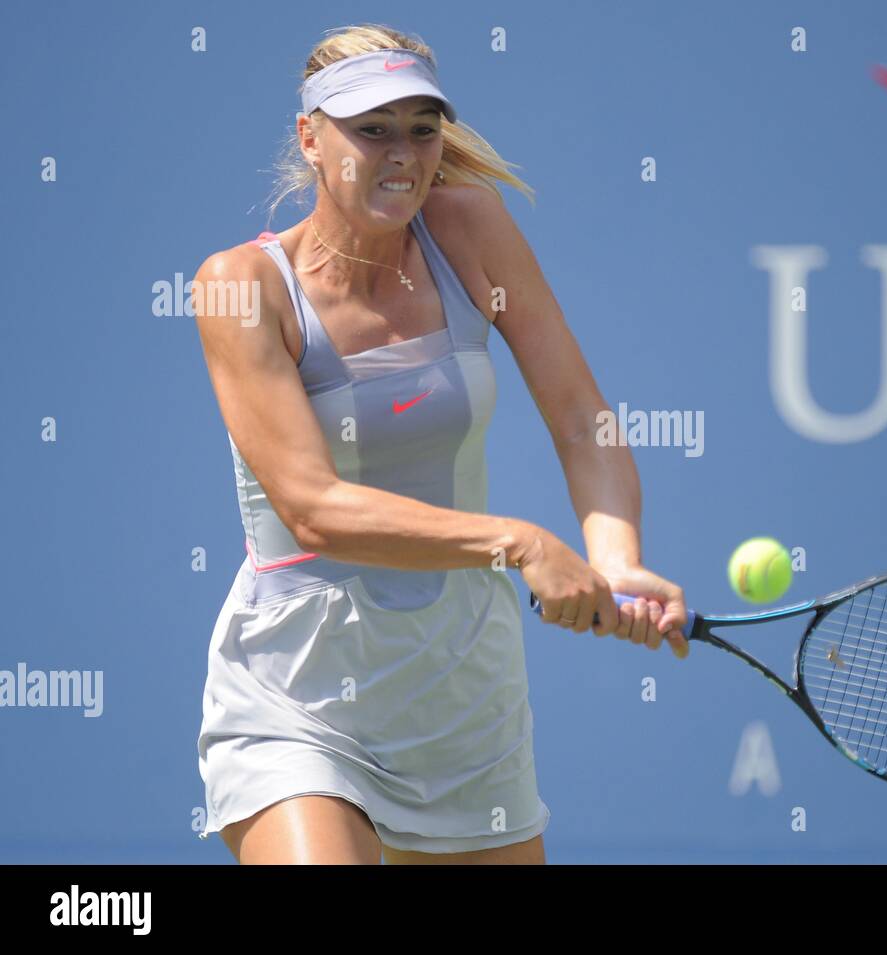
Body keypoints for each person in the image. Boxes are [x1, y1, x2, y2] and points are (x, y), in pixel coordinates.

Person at [191, 23, 689, 865]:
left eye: (423, 128)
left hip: (462, 684)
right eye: (372, 129)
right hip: (296, 687)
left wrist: (618, 556)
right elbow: (312, 507)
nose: (404, 153)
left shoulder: (469, 229)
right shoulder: (239, 287)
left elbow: (581, 417)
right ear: (310, 138)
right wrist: (520, 541)